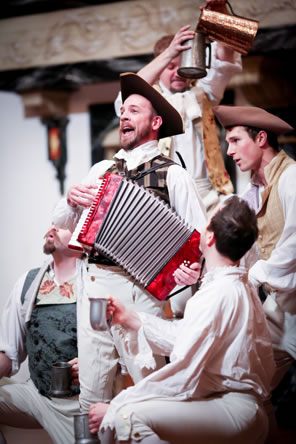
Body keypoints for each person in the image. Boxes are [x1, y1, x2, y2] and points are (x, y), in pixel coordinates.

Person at [53, 72, 207, 412]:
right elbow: (59, 222)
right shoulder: (101, 169)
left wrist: (192, 275)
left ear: (154, 123)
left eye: (133, 111)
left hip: (141, 293)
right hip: (93, 287)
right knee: (92, 393)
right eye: (123, 111)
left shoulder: (174, 174)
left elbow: (201, 241)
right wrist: (70, 201)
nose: (124, 115)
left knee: (150, 389)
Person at [87, 195, 275, 444]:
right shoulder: (235, 284)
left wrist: (117, 405)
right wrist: (131, 318)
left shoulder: (219, 293)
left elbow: (184, 367)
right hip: (242, 408)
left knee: (126, 416)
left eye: (207, 222)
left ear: (209, 237)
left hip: (234, 408)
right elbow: (189, 337)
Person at [214, 104, 295, 439]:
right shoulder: (250, 195)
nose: (229, 151)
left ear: (261, 138)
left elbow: (293, 242)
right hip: (282, 309)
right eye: (227, 142)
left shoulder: (291, 177)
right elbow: (240, 253)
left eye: (235, 140)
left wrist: (257, 274)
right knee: (250, 384)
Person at [114, 0, 242, 213]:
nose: (178, 73)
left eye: (181, 65)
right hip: (163, 195)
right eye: (171, 67)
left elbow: (226, 56)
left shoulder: (202, 93)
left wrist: (221, 14)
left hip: (208, 196)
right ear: (161, 65)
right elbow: (128, 90)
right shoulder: (145, 102)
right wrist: (170, 52)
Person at [0, 223, 83, 444]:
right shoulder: (28, 282)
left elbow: (124, 351)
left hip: (79, 404)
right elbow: (9, 354)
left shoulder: (97, 282)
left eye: (64, 225)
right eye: (53, 222)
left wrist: (92, 365)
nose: (53, 228)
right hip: (35, 394)